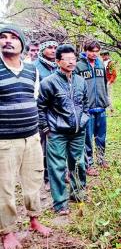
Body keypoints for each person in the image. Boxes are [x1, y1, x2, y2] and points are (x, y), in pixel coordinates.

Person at [0, 25, 51, 249]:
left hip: (31, 137)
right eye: (3, 37)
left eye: (13, 38)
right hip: (5, 141)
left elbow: (34, 98)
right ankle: (7, 231)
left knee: (33, 181)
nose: (7, 41)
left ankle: (34, 219)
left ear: (22, 44)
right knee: (5, 187)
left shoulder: (32, 70)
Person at [38, 44, 89, 215]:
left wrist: (83, 119)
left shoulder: (81, 81)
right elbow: (41, 107)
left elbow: (85, 104)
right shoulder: (48, 83)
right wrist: (46, 128)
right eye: (67, 59)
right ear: (58, 61)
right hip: (57, 132)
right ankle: (60, 202)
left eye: (73, 59)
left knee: (79, 163)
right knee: (57, 166)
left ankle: (77, 193)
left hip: (78, 131)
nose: (71, 62)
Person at [75, 40, 109, 176]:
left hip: (101, 106)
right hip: (86, 109)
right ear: (86, 51)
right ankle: (89, 164)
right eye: (91, 51)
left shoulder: (101, 64)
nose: (94, 54)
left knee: (101, 136)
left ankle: (101, 159)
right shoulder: (79, 66)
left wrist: (106, 99)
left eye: (97, 51)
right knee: (87, 138)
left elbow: (105, 83)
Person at [33, 39, 59, 189]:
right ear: (42, 49)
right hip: (42, 113)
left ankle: (59, 174)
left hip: (57, 112)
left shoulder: (57, 66)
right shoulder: (35, 67)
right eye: (49, 47)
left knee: (57, 144)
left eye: (55, 47)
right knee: (44, 146)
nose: (53, 50)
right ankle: (47, 178)